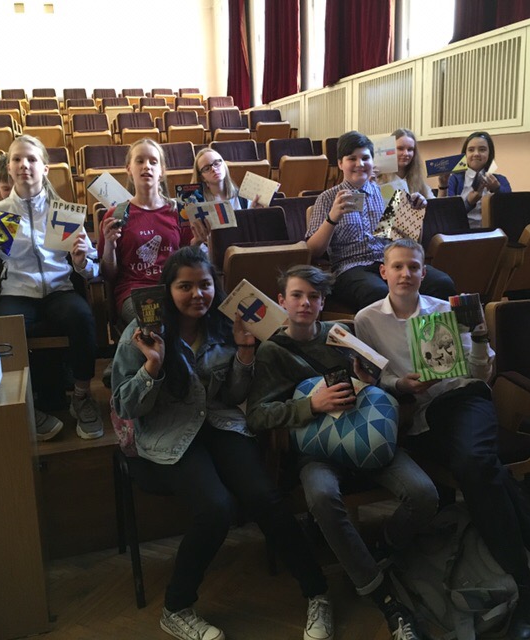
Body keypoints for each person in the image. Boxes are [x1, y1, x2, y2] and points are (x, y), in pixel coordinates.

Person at [354, 238, 530, 640]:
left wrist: (480, 336)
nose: (405, 274)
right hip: (421, 418)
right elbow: (374, 376)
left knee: (474, 464)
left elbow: (480, 375)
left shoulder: (444, 311)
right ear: (383, 272)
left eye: (413, 267)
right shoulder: (366, 320)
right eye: (397, 267)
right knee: (489, 472)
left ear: (423, 272)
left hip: (465, 400)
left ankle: (525, 588)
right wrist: (400, 384)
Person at [111, 247, 333, 640]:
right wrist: (152, 366)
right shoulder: (142, 332)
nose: (197, 294)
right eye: (185, 286)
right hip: (168, 434)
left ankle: (317, 592)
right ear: (168, 289)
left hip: (219, 423)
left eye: (205, 285)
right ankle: (176, 607)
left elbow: (232, 396)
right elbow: (125, 405)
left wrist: (245, 350)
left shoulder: (223, 325)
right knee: (216, 509)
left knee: (265, 496)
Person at [247, 264, 439, 640]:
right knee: (321, 496)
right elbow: (257, 416)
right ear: (282, 301)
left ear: (323, 303)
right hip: (317, 448)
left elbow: (375, 380)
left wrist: (369, 380)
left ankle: (381, 549)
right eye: (297, 295)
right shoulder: (272, 351)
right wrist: (311, 405)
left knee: (424, 494)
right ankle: (382, 595)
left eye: (314, 297)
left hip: (366, 434)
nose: (305, 303)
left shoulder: (341, 334)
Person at [0, 134, 103, 441]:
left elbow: (92, 269)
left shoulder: (63, 211)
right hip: (17, 293)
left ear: (45, 168)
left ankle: (82, 397)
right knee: (3, 329)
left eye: (31, 159)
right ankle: (23, 405)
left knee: (82, 317)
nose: (23, 165)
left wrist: (81, 261)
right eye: (17, 159)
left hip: (58, 289)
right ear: (9, 168)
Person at [306, 130, 455, 311]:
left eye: (365, 158)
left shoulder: (387, 192)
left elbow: (410, 241)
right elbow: (313, 251)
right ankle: (395, 330)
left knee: (442, 282)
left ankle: (427, 329)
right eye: (352, 159)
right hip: (351, 268)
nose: (360, 164)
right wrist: (332, 218)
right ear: (340, 163)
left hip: (391, 262)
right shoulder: (328, 198)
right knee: (377, 293)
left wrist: (415, 214)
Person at [99, 138, 199, 327]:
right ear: (129, 169)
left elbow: (190, 260)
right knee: (156, 322)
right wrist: (110, 245)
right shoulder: (115, 214)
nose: (147, 166)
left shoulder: (179, 211)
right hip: (135, 292)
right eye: (140, 161)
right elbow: (108, 275)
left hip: (175, 288)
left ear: (162, 171)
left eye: (153, 162)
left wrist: (199, 242)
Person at [438, 131, 511, 228]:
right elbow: (446, 214)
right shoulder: (454, 179)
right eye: (471, 150)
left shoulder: (500, 180)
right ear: (465, 154)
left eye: (482, 149)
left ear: (490, 153)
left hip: (493, 233)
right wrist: (468, 203)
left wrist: (497, 189)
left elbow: (510, 208)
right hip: (462, 233)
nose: (476, 154)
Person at [376, 128, 433, 198]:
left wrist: (442, 186)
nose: (406, 153)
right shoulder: (377, 180)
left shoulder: (419, 181)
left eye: (410, 149)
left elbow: (435, 203)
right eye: (400, 148)